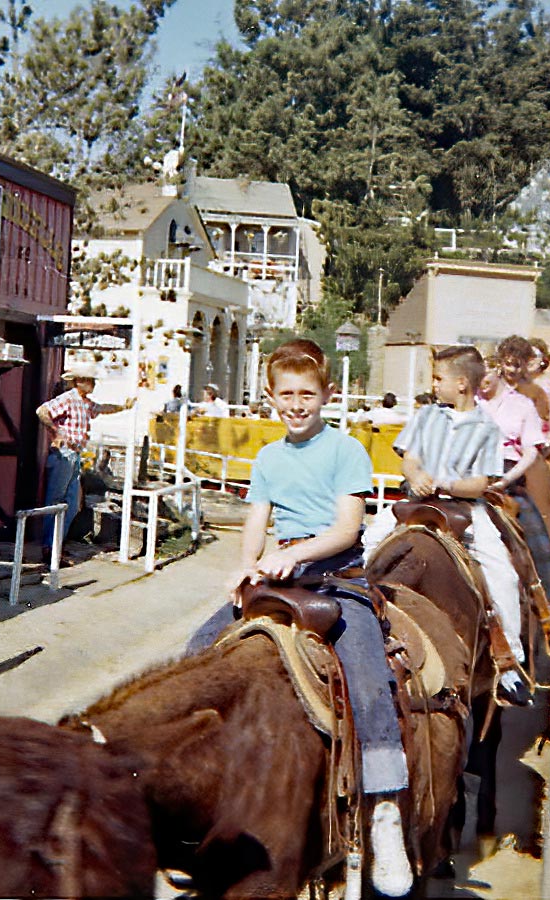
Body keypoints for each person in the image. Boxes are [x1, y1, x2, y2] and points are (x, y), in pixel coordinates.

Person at [192, 339, 413, 896]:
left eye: (307, 394)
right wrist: (246, 570)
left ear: (326, 395)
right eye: (286, 394)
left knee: (366, 674)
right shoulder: (268, 458)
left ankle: (385, 810)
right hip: (277, 571)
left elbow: (345, 529)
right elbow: (256, 519)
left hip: (334, 574)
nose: (297, 404)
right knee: (195, 655)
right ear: (270, 397)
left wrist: (294, 554)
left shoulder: (345, 450)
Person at [392, 345, 534, 705]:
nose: (434, 385)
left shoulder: (487, 427)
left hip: (463, 507)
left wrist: (446, 483)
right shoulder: (427, 415)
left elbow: (480, 482)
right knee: (371, 545)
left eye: (438, 379)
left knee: (501, 572)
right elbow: (409, 459)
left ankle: (509, 661)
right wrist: (417, 474)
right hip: (419, 501)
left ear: (461, 383)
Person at [478, 348, 550, 614]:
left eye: (485, 375)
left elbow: (531, 450)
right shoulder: (470, 402)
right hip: (469, 470)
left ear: (497, 371)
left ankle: (548, 607)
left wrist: (506, 479)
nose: (481, 381)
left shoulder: (522, 405)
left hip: (508, 472)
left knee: (538, 539)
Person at [37, 363, 131, 563]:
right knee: (56, 501)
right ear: (79, 382)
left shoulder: (85, 403)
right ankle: (49, 547)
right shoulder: (68, 399)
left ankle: (56, 546)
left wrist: (123, 406)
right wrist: (57, 431)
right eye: (90, 381)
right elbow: (42, 411)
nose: (93, 384)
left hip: (75, 454)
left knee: (71, 504)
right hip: (64, 453)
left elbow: (103, 408)